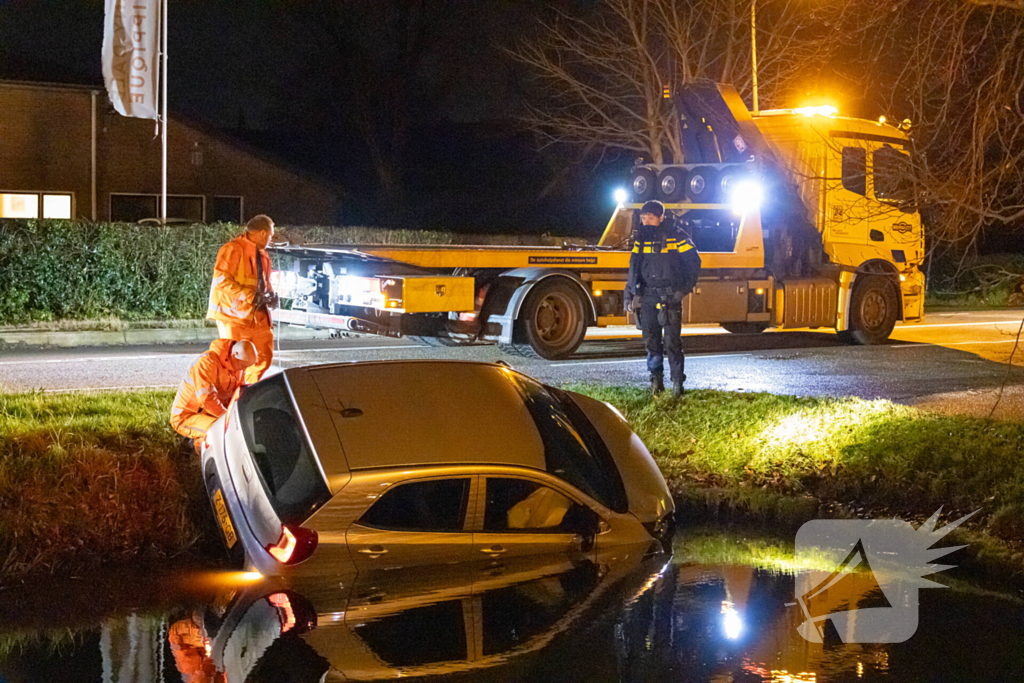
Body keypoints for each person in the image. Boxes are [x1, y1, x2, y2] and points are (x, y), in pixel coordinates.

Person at [624, 200, 702, 397]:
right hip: (648, 296)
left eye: (650, 217)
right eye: (643, 217)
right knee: (651, 341)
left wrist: (682, 290)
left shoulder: (676, 235)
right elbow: (634, 268)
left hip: (670, 297)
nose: (646, 221)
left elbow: (694, 263)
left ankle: (677, 383)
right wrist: (629, 294)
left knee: (672, 342)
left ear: (661, 217)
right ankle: (656, 380)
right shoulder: (640, 238)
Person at [207, 214, 278, 384]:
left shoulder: (263, 255)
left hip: (257, 316)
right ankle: (233, 397)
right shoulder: (232, 249)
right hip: (234, 318)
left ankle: (245, 393)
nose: (270, 239)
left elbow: (263, 282)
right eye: (270, 235)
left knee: (263, 359)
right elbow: (220, 280)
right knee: (235, 362)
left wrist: (271, 295)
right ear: (262, 233)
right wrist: (249, 296)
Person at [170, 339, 257, 454]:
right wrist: (228, 418)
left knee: (230, 429)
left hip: (209, 412)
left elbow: (239, 390)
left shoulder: (237, 365)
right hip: (186, 417)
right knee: (220, 431)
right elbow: (206, 399)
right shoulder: (206, 363)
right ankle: (198, 451)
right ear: (234, 355)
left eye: (246, 367)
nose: (243, 369)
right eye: (243, 365)